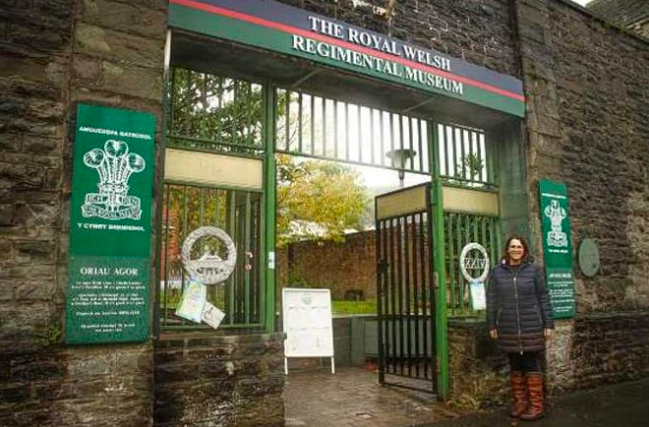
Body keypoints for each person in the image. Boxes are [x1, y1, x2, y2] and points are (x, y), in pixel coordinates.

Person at [486, 235, 554, 421]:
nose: (516, 249)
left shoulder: (534, 271)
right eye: (512, 246)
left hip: (531, 324)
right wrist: (492, 323)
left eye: (519, 247)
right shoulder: (496, 272)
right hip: (507, 325)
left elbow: (543, 297)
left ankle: (536, 406)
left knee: (531, 363)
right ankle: (520, 402)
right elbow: (492, 299)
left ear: (524, 250)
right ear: (507, 249)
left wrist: (548, 324)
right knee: (515, 364)